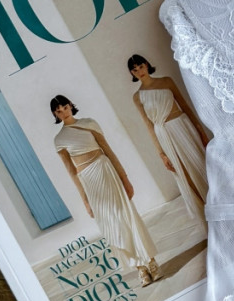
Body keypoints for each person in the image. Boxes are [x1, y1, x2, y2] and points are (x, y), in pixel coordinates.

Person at [51, 95, 161, 287]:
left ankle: (151, 262)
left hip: (106, 171)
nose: (63, 113)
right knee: (113, 225)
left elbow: (108, 151)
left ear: (70, 106)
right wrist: (85, 201)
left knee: (127, 216)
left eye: (65, 107)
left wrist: (124, 178)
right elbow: (71, 172)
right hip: (89, 182)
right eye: (58, 111)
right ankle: (140, 269)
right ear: (55, 114)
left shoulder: (89, 123)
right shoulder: (59, 140)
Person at [127, 54, 208, 229]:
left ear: (147, 64)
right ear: (132, 73)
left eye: (140, 66)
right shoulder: (137, 97)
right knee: (183, 173)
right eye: (134, 70)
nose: (139, 71)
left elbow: (185, 106)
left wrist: (201, 132)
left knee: (201, 164)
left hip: (183, 127)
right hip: (164, 135)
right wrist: (161, 154)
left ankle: (219, 204)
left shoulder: (166, 81)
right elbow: (149, 125)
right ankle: (205, 213)